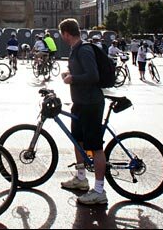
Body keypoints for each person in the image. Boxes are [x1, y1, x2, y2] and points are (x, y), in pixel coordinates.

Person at [59, 18, 107, 205]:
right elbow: (79, 71)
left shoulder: (84, 49)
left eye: (62, 35)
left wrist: (73, 79)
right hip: (79, 103)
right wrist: (68, 73)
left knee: (95, 147)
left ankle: (99, 191)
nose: (61, 37)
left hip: (91, 103)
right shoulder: (75, 50)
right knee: (77, 140)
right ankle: (81, 178)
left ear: (66, 34)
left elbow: (93, 75)